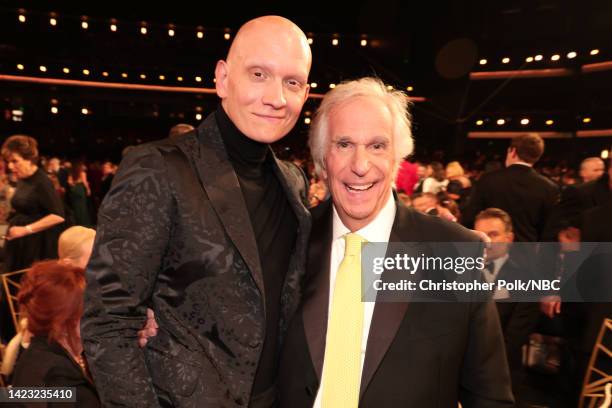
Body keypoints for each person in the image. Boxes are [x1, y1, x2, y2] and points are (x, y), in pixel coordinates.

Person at [81, 16, 312, 407]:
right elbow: (108, 323)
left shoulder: (293, 182)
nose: (277, 97)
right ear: (223, 78)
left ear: (305, 93)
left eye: (292, 82)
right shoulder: (158, 168)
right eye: (259, 74)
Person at [279, 78, 513, 407]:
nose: (360, 165)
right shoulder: (287, 238)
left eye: (377, 146)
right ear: (321, 161)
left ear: (397, 159)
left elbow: (489, 397)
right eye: (343, 144)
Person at [12, 260, 100, 407]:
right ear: (64, 323)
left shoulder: (31, 358)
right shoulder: (66, 385)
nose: (96, 320)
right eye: (89, 313)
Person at [474, 208, 539, 402]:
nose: (487, 241)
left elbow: (516, 334)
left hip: (503, 371)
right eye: (481, 235)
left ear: (509, 239)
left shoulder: (527, 277)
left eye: (493, 234)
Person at [462, 133, 559, 242]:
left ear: (512, 151)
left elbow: (470, 218)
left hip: (490, 249)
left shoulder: (488, 180)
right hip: (529, 254)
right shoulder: (549, 188)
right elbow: (549, 231)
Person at [1, 135, 66, 272]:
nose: (10, 166)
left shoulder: (42, 182)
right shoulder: (22, 178)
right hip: (21, 241)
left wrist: (26, 229)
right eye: (8, 161)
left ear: (29, 159)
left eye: (15, 161)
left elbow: (58, 216)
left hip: (36, 244)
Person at [67, 161, 92, 227]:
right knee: (82, 208)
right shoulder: (82, 173)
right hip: (80, 189)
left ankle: (77, 223)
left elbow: (69, 182)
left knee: (76, 208)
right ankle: (83, 223)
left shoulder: (71, 173)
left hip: (74, 190)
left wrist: (74, 184)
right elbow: (85, 182)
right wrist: (88, 190)